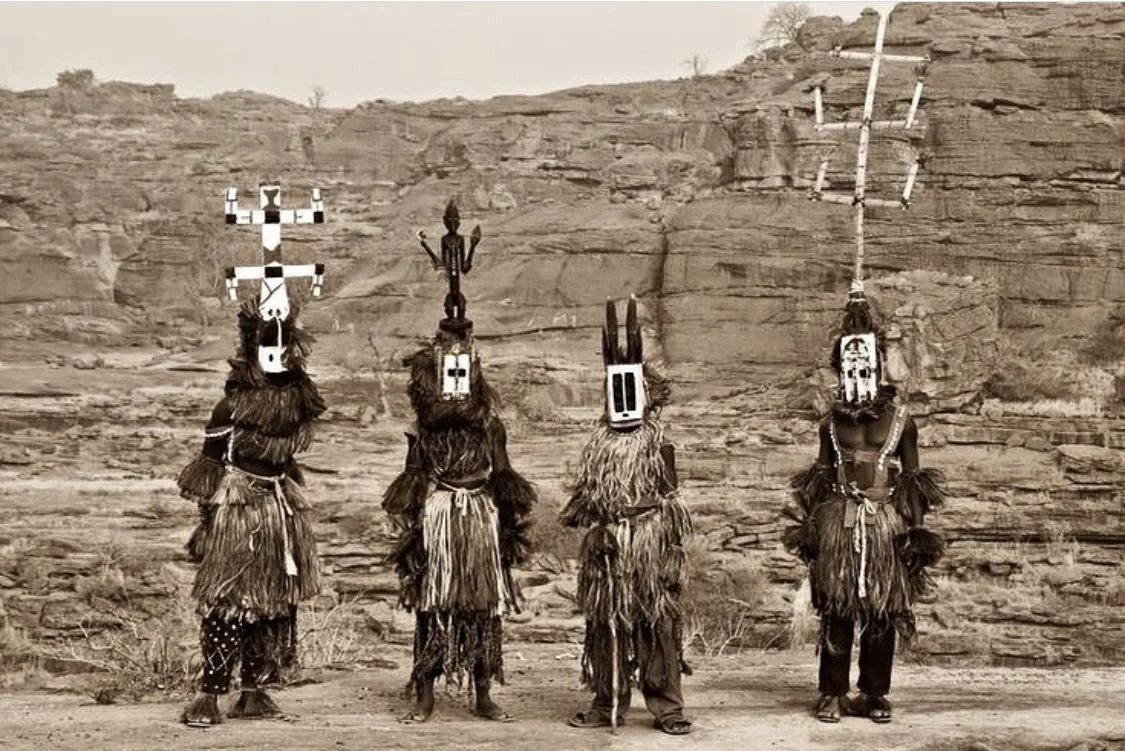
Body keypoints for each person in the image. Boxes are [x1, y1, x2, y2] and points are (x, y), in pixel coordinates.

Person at [383, 236, 536, 723]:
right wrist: (410, 534)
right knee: (433, 602)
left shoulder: (490, 425)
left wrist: (508, 528)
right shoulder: (423, 429)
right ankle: (425, 689)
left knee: (482, 605)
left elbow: (505, 475)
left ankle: (483, 689)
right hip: (441, 515)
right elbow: (411, 478)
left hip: (479, 518)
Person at [784, 282, 946, 724]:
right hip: (840, 520)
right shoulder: (829, 426)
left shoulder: (902, 423)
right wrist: (812, 534)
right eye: (848, 363)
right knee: (837, 608)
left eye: (865, 361)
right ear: (839, 368)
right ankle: (832, 692)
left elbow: (912, 480)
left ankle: (874, 693)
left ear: (878, 365)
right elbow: (817, 483)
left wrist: (913, 535)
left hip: (885, 523)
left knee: (882, 610)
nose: (856, 370)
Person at [177, 302, 326, 727]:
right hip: (240, 507)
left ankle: (255, 690)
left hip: (281, 507)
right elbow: (209, 464)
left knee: (273, 601)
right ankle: (210, 693)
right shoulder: (230, 407)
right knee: (227, 601)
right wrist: (208, 521)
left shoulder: (295, 404)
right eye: (267, 352)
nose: (275, 361)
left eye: (283, 352)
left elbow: (303, 412)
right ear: (252, 353)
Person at [561, 296, 693, 736]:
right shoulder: (597, 444)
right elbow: (586, 499)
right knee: (606, 622)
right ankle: (606, 700)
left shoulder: (659, 444)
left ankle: (667, 705)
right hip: (611, 544)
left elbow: (671, 501)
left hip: (649, 541)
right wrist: (598, 531)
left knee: (658, 621)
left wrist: (669, 553)